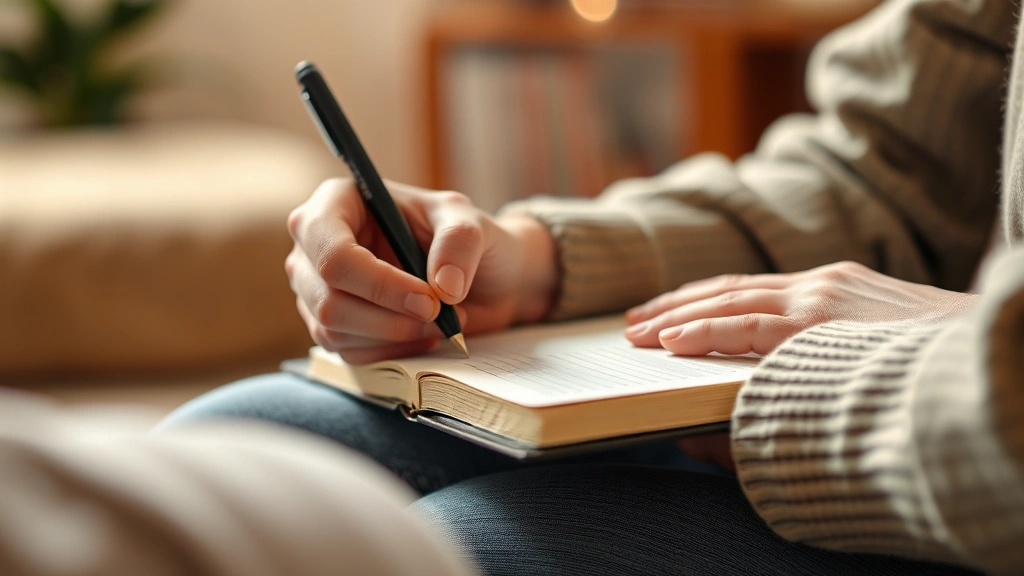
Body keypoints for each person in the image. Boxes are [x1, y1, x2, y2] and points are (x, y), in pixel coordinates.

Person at [163, 0, 1024, 574]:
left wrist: (912, 360)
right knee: (224, 447)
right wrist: (542, 263)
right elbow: (883, 171)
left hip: (964, 437)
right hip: (917, 390)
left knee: (462, 549)